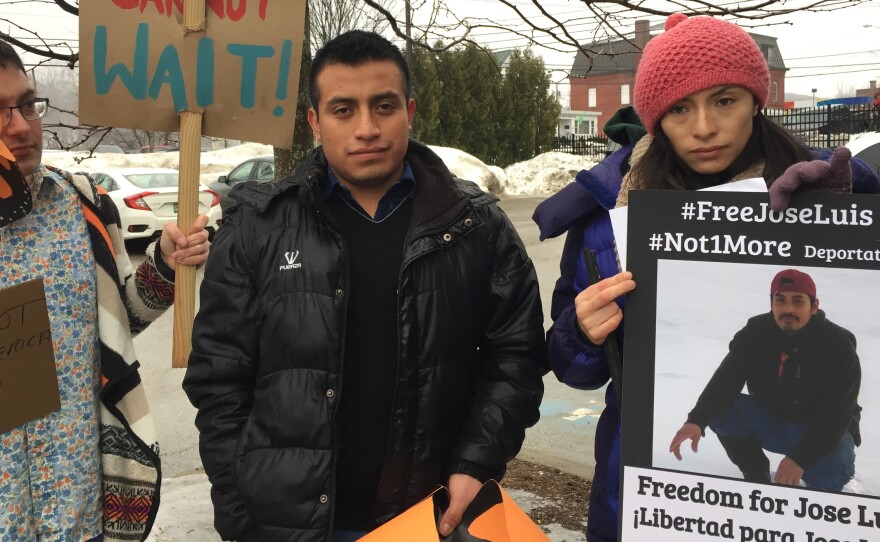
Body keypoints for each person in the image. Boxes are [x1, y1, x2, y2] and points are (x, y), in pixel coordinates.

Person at [182, 30, 547, 542]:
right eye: (343, 110)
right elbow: (219, 382)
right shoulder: (258, 227)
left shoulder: (475, 225)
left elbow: (517, 358)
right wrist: (241, 509)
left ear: (410, 110)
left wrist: (476, 461)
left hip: (428, 515)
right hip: (286, 525)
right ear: (314, 121)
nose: (367, 128)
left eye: (384, 106)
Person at [533, 13, 880, 542]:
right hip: (646, 499)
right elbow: (574, 372)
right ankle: (753, 482)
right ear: (655, 119)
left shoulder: (827, 188)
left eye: (724, 100)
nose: (703, 127)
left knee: (826, 477)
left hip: (814, 454)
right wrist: (579, 333)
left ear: (756, 100)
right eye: (678, 108)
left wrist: (847, 208)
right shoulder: (611, 215)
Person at [0, 40, 210, 542]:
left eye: (27, 104)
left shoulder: (84, 204)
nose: (21, 125)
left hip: (84, 510)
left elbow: (125, 316)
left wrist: (166, 262)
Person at [669, 269, 860, 490]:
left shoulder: (838, 346)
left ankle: (819, 493)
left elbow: (839, 415)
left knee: (834, 472)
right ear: (772, 304)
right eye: (780, 301)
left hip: (822, 430)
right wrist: (696, 420)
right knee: (722, 408)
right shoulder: (756, 333)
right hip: (773, 421)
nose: (788, 309)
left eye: (798, 301)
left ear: (814, 306)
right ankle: (756, 476)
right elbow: (725, 382)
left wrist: (799, 459)